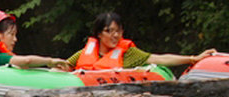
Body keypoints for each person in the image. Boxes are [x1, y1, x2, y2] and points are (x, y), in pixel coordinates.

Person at [67, 12, 216, 70]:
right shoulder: (84, 54)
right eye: (109, 31)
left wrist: (192, 59)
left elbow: (159, 58)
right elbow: (63, 67)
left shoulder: (130, 54)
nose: (115, 35)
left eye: (118, 31)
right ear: (99, 34)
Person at [0, 10, 69, 70]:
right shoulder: (1, 58)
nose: (15, 39)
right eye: (11, 34)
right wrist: (50, 61)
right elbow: (27, 61)